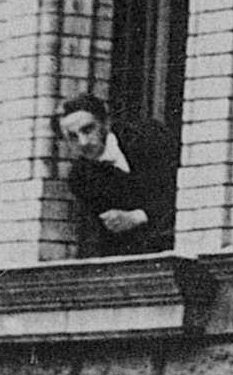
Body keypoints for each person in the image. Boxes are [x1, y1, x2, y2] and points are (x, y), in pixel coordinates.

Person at [54, 94, 164, 256]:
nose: (83, 142)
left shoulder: (147, 137)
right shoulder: (81, 178)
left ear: (106, 123)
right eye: (72, 137)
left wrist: (137, 217)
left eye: (88, 129)